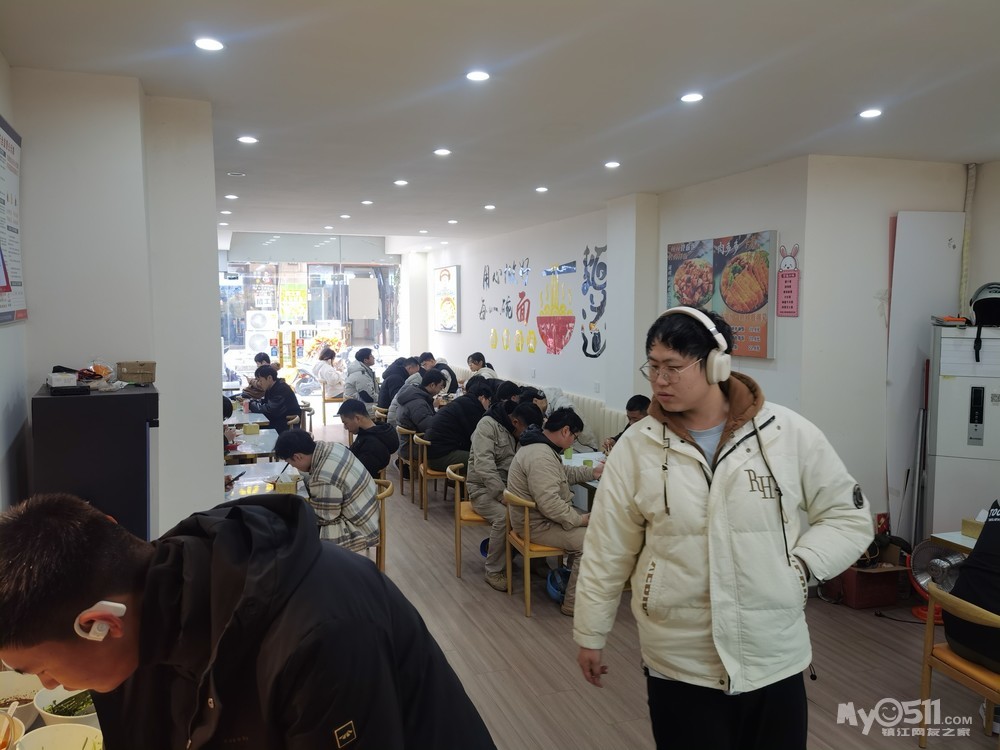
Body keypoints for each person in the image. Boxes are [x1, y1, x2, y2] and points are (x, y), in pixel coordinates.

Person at [573, 307, 874, 750]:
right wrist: (591, 633)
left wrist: (801, 568)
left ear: (717, 364)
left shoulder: (786, 433)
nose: (659, 381)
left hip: (774, 655)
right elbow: (606, 549)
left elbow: (848, 516)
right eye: (652, 367)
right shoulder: (637, 447)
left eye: (673, 367)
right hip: (679, 660)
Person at [0, 493, 498, 749]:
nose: (48, 684)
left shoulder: (319, 636)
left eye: (40, 669)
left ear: (100, 624)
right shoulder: (148, 605)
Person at [506, 407, 603, 616]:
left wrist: (593, 472)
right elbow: (549, 503)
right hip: (537, 525)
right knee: (591, 542)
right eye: (575, 437)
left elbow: (561, 473)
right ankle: (573, 604)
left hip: (535, 518)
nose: (573, 442)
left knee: (589, 531)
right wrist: (579, 519)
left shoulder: (539, 445)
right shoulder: (540, 456)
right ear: (566, 430)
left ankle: (570, 583)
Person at [468, 401, 545, 591]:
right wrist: (501, 494)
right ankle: (494, 571)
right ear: (516, 422)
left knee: (541, 507)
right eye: (525, 431)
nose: (526, 435)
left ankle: (536, 561)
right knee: (505, 517)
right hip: (483, 490)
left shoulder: (521, 430)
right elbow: (484, 466)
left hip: (513, 489)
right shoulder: (487, 426)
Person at [273, 428, 379, 550]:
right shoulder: (331, 446)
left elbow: (323, 518)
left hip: (360, 528)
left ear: (297, 457)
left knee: (292, 532)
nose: (293, 467)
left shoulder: (323, 477)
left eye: (291, 463)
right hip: (368, 512)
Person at [424, 383, 492, 472]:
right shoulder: (472, 408)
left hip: (434, 452)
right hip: (440, 457)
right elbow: (475, 439)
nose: (489, 405)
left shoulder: (462, 401)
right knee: (485, 462)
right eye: (489, 401)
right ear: (482, 398)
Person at [338, 398, 398, 478]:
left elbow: (357, 474)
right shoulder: (370, 432)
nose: (345, 427)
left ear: (357, 418)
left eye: (345, 423)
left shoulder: (372, 446)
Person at [395, 369, 447, 461]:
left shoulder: (414, 394)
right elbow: (429, 427)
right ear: (432, 385)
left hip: (407, 443)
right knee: (449, 447)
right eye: (440, 387)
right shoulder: (418, 403)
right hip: (413, 447)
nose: (440, 391)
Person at [243, 364, 300, 434]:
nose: (259, 384)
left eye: (260, 380)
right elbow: (264, 402)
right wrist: (250, 401)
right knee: (251, 426)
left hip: (285, 424)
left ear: (269, 378)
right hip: (277, 420)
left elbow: (269, 409)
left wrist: (250, 404)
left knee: (252, 429)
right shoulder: (272, 387)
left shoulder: (281, 389)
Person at [345, 347, 379, 414]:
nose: (374, 358)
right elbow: (368, 397)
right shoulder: (361, 374)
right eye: (371, 356)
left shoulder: (363, 370)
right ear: (365, 360)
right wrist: (382, 399)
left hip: (357, 403)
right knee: (389, 408)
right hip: (360, 407)